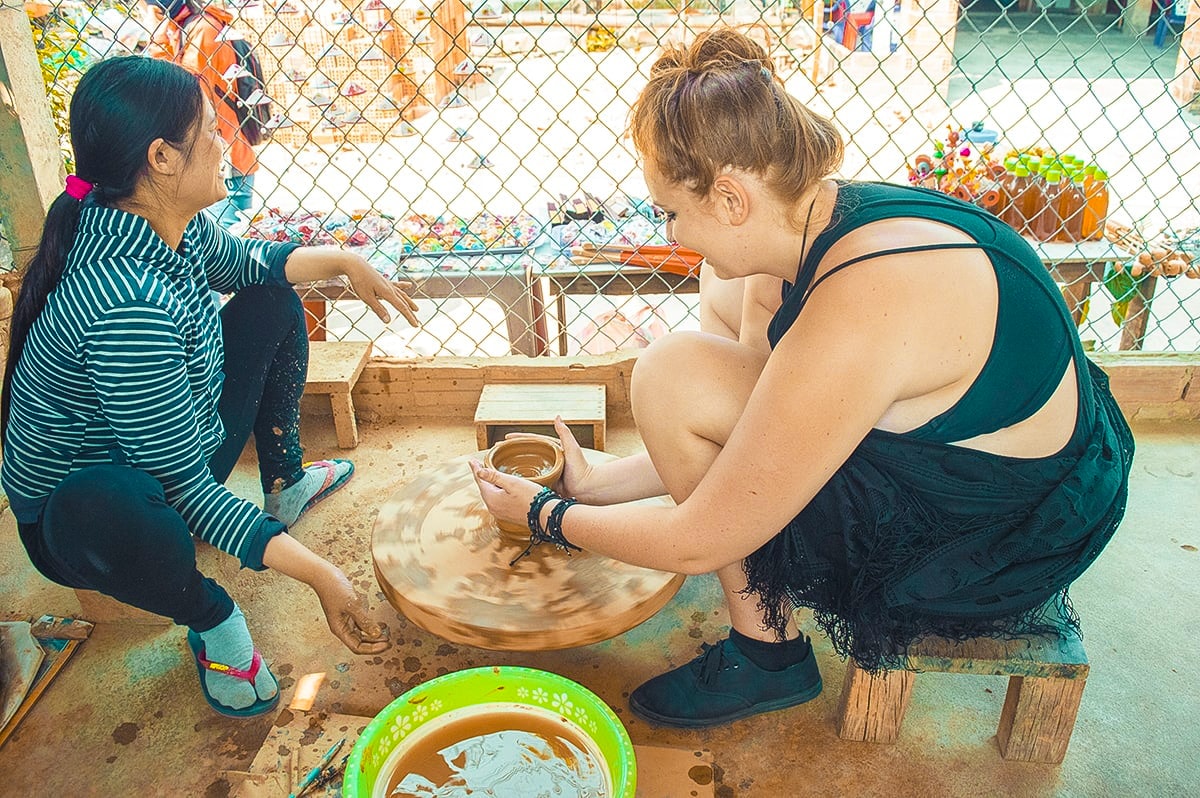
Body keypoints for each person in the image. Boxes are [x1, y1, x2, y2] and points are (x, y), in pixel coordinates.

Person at [471, 28, 1133, 729]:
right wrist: (604, 486)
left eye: (671, 211)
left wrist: (548, 519)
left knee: (672, 373)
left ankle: (766, 656)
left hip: (999, 536)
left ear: (730, 198)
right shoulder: (827, 211)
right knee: (734, 285)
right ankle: (748, 596)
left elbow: (698, 542)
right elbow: (769, 422)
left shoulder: (862, 306)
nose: (672, 232)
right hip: (1025, 457)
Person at [0, 56, 419, 718]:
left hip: (174, 451)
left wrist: (342, 260)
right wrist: (322, 576)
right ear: (162, 158)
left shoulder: (170, 224)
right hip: (99, 517)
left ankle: (283, 489)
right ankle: (209, 615)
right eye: (209, 126)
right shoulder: (125, 304)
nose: (227, 138)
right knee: (106, 505)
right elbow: (185, 492)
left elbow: (252, 262)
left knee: (272, 298)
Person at [143, 0, 258, 228]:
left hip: (225, 159)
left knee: (226, 242)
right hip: (205, 158)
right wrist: (161, 34)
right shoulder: (181, 29)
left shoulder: (204, 28)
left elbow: (186, 94)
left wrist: (158, 31)